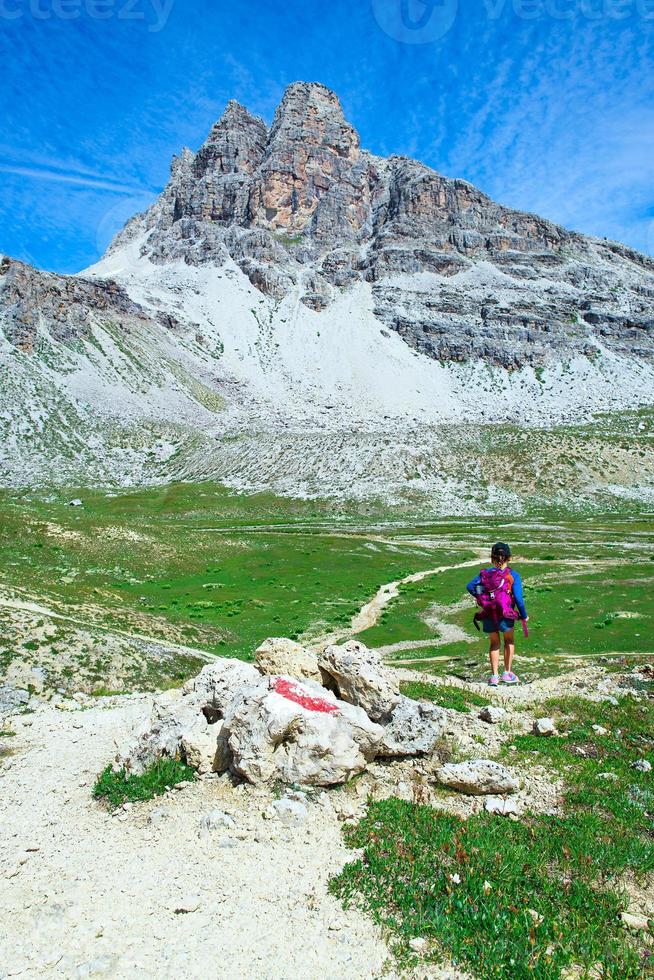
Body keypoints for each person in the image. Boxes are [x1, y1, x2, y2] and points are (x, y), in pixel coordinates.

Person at [466, 542, 528, 686]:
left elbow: (469, 586)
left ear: (492, 558)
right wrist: (523, 615)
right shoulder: (513, 575)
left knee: (494, 643)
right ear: (509, 558)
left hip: (488, 613)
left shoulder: (485, 574)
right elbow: (518, 598)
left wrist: (481, 598)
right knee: (509, 641)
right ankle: (507, 673)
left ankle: (494, 676)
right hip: (505, 614)